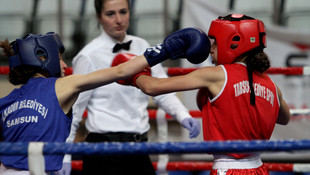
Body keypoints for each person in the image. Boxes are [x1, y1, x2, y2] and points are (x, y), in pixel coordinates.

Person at [0, 27, 210, 174]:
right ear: (43, 57)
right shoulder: (60, 86)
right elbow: (120, 70)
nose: (64, 64)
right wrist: (166, 50)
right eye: (60, 57)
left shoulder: (6, 102)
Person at [115, 14, 291, 175]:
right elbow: (285, 118)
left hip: (228, 170)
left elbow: (152, 88)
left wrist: (135, 73)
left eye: (215, 42)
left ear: (234, 41)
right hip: (259, 169)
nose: (211, 49)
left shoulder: (216, 75)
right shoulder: (272, 86)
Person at [64, 0, 205, 175]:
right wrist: (65, 154)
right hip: (102, 152)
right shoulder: (88, 55)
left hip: (138, 148)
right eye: (110, 14)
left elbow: (161, 88)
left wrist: (183, 115)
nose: (118, 20)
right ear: (99, 17)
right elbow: (75, 109)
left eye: (123, 12)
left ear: (130, 12)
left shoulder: (142, 46)